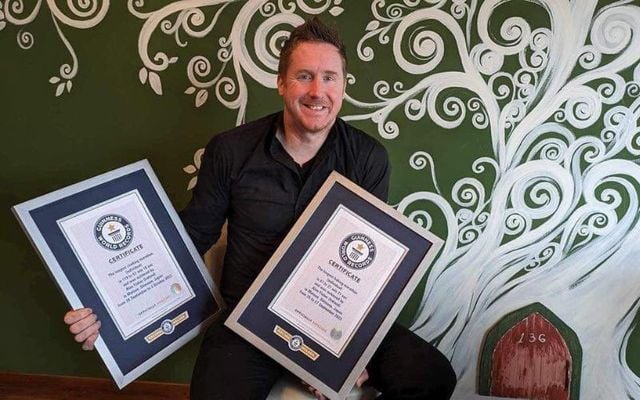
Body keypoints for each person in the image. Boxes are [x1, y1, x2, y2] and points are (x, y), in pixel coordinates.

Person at [64, 17, 457, 400]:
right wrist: (107, 311)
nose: (317, 90)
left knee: (433, 376)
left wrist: (343, 356)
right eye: (304, 76)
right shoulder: (230, 150)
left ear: (343, 85)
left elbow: (367, 273)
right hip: (248, 324)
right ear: (282, 83)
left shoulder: (369, 158)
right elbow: (189, 240)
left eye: (329, 77)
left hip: (333, 322)